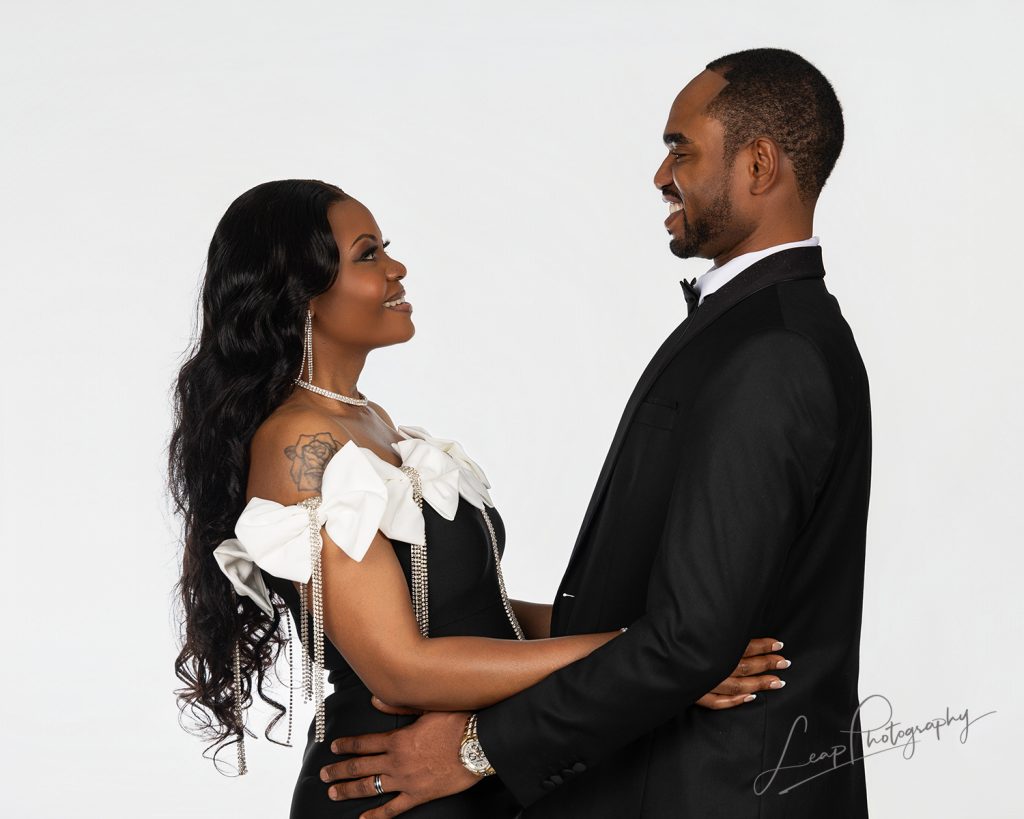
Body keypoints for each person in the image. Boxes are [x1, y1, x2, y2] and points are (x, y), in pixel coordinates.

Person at [320, 47, 872, 819]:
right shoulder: (760, 328)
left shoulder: (771, 350)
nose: (659, 175)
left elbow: (687, 643)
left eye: (681, 148)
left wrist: (478, 747)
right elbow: (672, 627)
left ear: (758, 165)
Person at [167, 179, 792, 818]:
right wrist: (655, 657)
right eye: (367, 255)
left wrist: (672, 638)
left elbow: (480, 615)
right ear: (300, 295)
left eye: (385, 249)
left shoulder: (374, 424)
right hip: (390, 790)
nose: (396, 268)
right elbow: (400, 670)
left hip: (472, 776)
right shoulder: (299, 440)